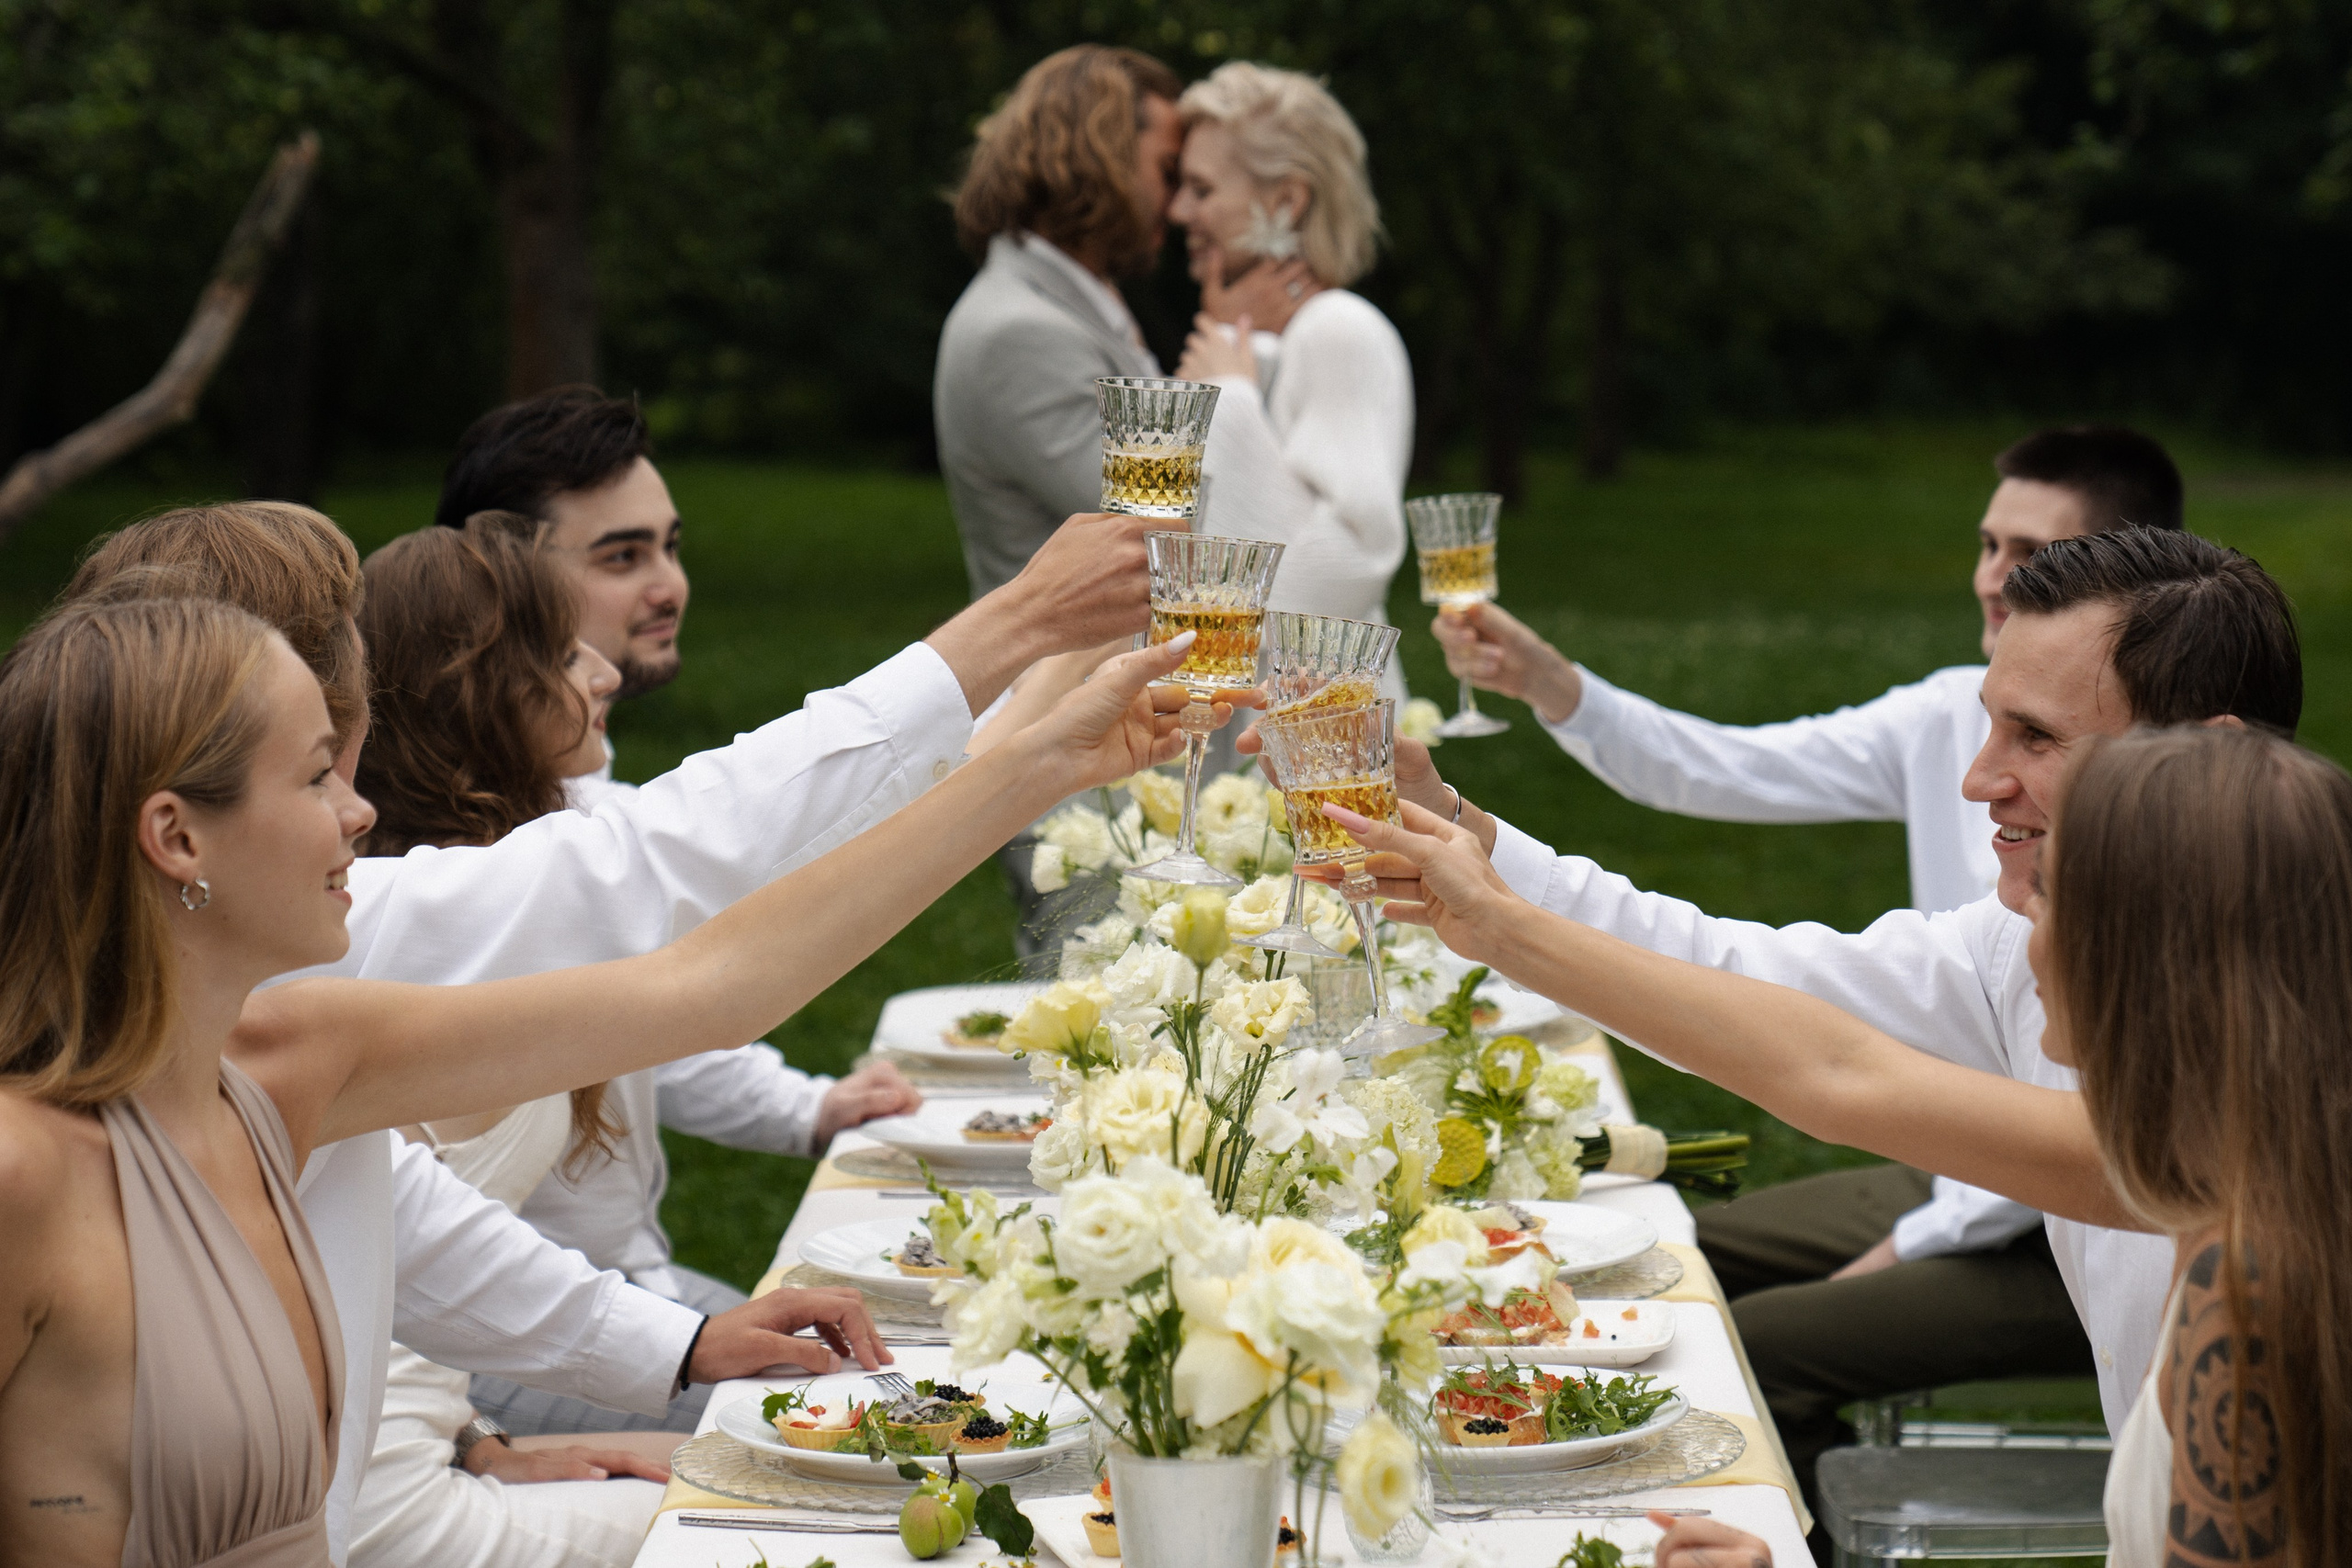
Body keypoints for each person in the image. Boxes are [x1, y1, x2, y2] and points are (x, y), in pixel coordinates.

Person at [0, 585, 1197, 1568]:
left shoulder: (291, 1066)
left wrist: (1039, 765)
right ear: (176, 836)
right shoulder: (27, 1169)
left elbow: (714, 984)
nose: (359, 811)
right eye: (315, 775)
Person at [1371, 525, 2302, 1456]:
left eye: (2037, 736)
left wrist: (1496, 925)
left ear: (2201, 760)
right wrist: (1465, 836)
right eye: (1990, 724)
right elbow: (1739, 979)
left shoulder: (2279, 1059)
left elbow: (1831, 1073)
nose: (1977, 781)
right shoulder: (2034, 935)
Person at [1334, 720, 2342, 1565]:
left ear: (2148, 950)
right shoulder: (2250, 1183)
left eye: (2051, 897)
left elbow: (1839, 1072)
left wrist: (1499, 924)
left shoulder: (2245, 1283)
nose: (2023, 933)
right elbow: (1814, 1044)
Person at [1170, 61, 1412, 687]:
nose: (1177, 211)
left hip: (1318, 739)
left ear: (1286, 199)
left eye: (1201, 190)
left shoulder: (1340, 330)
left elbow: (1354, 559)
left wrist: (1229, 400)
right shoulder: (1275, 343)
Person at [934, 43, 1184, 602]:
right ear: (1108, 157)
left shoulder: (1075, 303)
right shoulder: (1020, 332)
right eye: (1170, 172)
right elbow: (1162, 539)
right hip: (1064, 680)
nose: (1181, 204)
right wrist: (1239, 392)